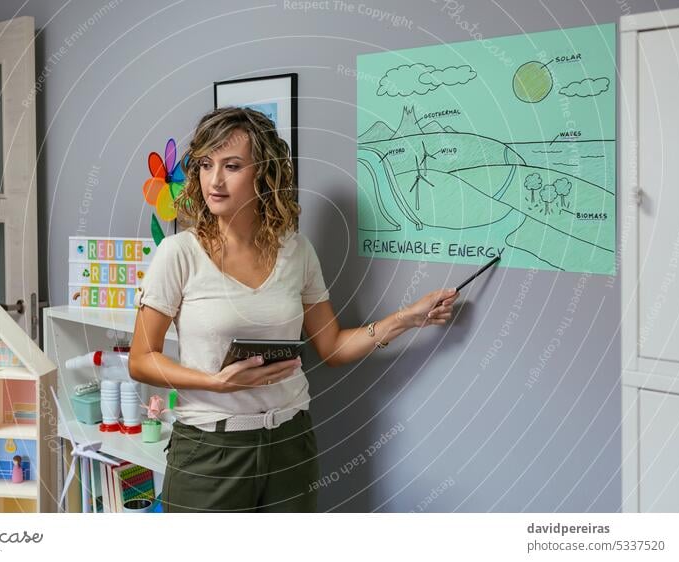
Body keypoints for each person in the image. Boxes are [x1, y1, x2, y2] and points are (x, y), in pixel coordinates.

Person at [128, 106, 458, 512]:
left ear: (263, 174)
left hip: (291, 444)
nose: (214, 180)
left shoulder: (297, 251)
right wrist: (216, 383)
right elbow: (141, 360)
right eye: (205, 164)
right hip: (210, 450)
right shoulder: (178, 253)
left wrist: (408, 317)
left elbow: (332, 347)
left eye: (231, 165)